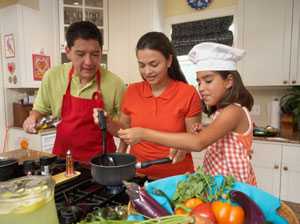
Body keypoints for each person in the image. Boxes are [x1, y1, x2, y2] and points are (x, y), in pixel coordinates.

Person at [119, 42, 257, 185]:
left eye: (208, 81)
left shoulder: (234, 111)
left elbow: (198, 143)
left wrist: (143, 133)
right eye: (199, 82)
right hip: (218, 185)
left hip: (236, 188)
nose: (201, 88)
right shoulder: (222, 112)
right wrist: (196, 136)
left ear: (229, 81)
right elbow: (218, 141)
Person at [94, 32, 202, 179]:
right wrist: (107, 122)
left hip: (177, 177)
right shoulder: (132, 91)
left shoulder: (188, 93)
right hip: (138, 174)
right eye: (142, 65)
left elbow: (193, 139)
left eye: (154, 64)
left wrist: (182, 148)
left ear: (169, 60)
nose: (147, 71)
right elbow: (124, 132)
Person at [23, 21, 126, 163]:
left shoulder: (116, 84)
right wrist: (32, 119)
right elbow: (39, 110)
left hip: (102, 165)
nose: (88, 62)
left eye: (95, 54)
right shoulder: (53, 76)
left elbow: (126, 132)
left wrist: (108, 123)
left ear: (101, 51)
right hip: (63, 161)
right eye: (80, 54)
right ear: (68, 51)